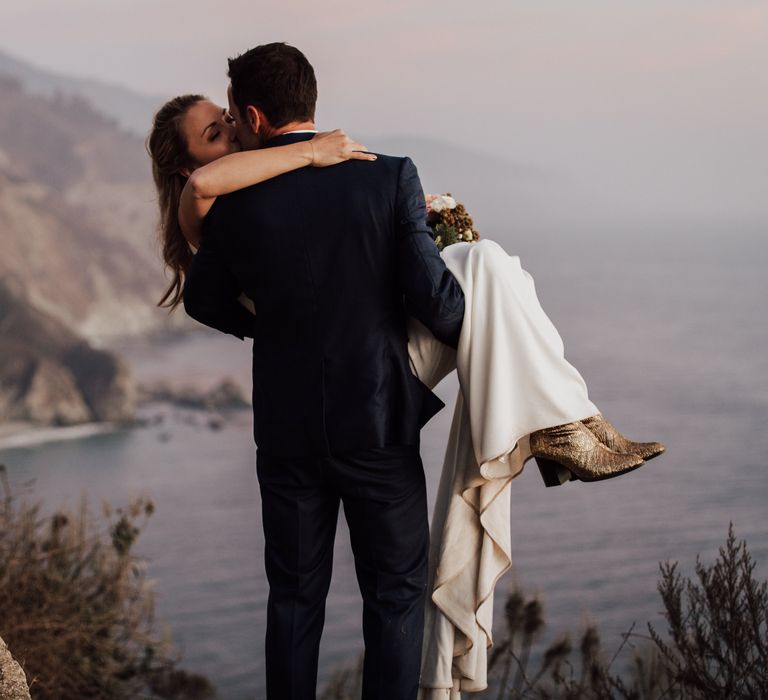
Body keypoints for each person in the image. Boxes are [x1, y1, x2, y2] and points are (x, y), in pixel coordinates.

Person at [147, 43, 664, 699]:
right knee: (392, 599)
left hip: (290, 433)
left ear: (253, 115)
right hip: (377, 422)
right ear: (308, 101)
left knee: (294, 600)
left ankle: (560, 422)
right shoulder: (384, 176)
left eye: (232, 121)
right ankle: (557, 422)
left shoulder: (236, 209)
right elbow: (443, 310)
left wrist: (273, 325)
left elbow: (207, 301)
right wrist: (428, 271)